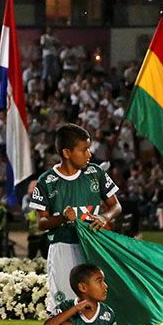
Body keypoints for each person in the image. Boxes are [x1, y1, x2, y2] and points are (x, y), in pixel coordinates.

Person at [28, 124, 121, 313]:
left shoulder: (95, 173)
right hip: (63, 248)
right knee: (65, 307)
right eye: (84, 150)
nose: (89, 154)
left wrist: (105, 216)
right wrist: (63, 218)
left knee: (95, 305)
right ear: (67, 153)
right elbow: (42, 222)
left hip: (93, 247)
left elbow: (116, 205)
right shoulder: (47, 181)